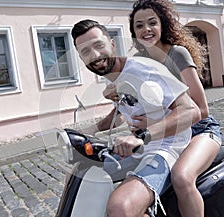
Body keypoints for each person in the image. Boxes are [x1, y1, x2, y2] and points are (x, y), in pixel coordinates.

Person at [103, 0, 222, 217]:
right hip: (165, 136)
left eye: (152, 23)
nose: (146, 29)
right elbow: (129, 105)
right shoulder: (138, 62)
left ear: (162, 25)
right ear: (134, 32)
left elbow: (201, 110)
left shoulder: (177, 54)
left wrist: (155, 124)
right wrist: (116, 98)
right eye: (139, 26)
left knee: (182, 177)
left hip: (200, 130)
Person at [71, 19, 201, 217]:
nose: (95, 55)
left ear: (112, 44)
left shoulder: (144, 70)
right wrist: (87, 131)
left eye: (99, 45)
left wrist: (142, 135)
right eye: (86, 51)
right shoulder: (115, 77)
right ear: (81, 58)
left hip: (168, 148)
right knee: (80, 175)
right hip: (140, 149)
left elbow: (191, 111)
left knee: (120, 206)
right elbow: (121, 114)